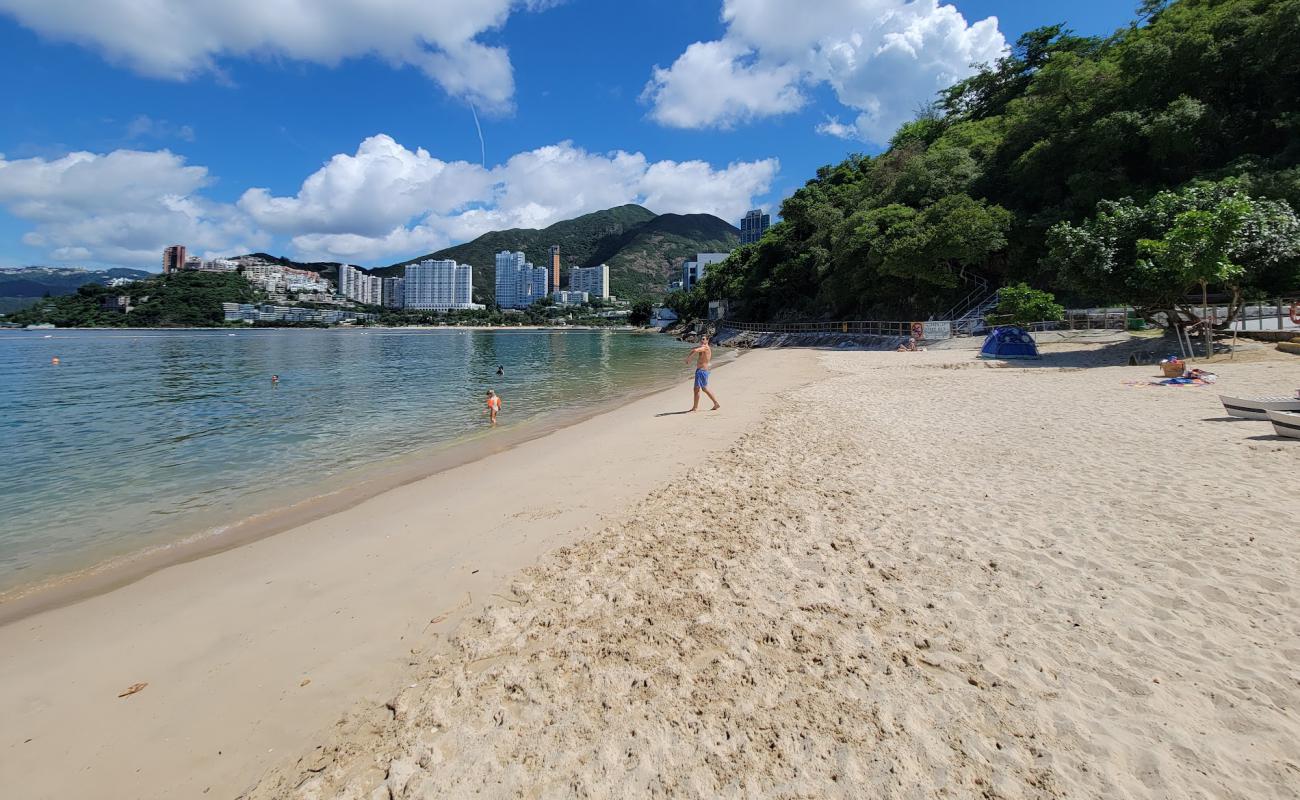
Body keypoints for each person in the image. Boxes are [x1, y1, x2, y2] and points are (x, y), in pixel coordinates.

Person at [685, 336, 721, 411]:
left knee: (698, 389)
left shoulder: (705, 347)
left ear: (707, 340)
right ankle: (715, 403)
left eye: (703, 339)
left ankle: (695, 407)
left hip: (701, 371)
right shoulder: (705, 347)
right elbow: (696, 349)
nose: (701, 340)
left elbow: (695, 350)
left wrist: (688, 358)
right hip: (703, 370)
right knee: (703, 388)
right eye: (701, 339)